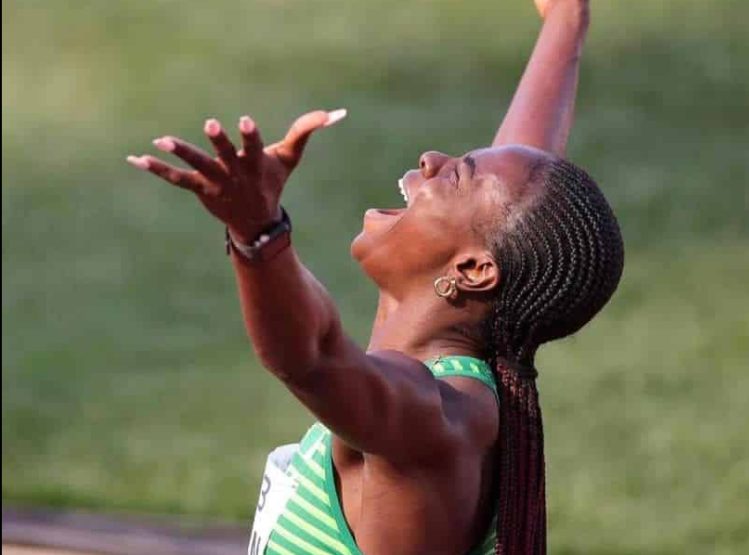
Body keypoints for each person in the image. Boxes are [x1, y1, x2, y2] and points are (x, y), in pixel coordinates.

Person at [127, 0, 623, 553]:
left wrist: (258, 233)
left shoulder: (432, 418)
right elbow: (521, 194)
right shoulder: (468, 371)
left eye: (457, 174)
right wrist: (565, 22)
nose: (432, 158)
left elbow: (312, 357)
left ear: (473, 270)